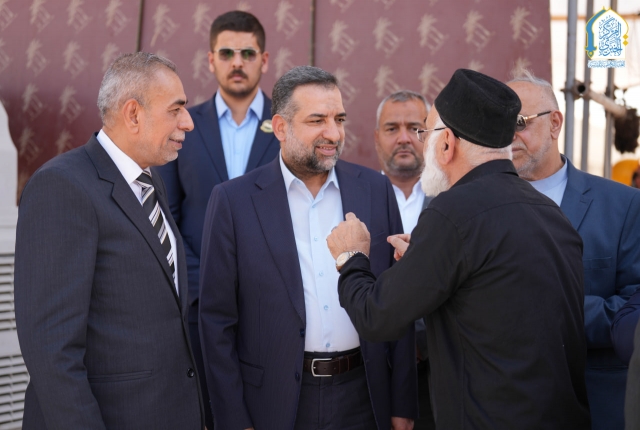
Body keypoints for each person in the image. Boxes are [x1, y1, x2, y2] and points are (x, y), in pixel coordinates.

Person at [327, 68, 591, 429]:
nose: (422, 146)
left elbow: (377, 316)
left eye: (425, 134)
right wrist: (424, 257)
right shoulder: (551, 212)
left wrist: (351, 257)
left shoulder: (451, 213)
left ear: (447, 143)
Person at [199, 65, 417, 430]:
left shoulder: (375, 190)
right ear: (281, 127)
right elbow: (216, 322)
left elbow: (398, 302)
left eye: (339, 119)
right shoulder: (233, 202)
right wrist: (234, 420)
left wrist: (402, 403)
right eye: (317, 120)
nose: (333, 133)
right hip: (274, 403)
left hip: (365, 395)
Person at [14, 52, 203, 429]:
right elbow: (52, 350)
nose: (188, 122)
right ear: (133, 114)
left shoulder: (150, 182)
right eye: (176, 109)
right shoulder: (62, 186)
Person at [156, 11, 279, 426]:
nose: (237, 62)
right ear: (211, 60)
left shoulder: (288, 127)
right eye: (226, 53)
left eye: (247, 53)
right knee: (208, 412)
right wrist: (203, 280)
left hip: (274, 304)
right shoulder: (183, 125)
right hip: (200, 303)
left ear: (264, 59)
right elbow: (168, 215)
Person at [507, 70, 640, 430]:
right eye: (498, 125)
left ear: (555, 123)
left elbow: (635, 306)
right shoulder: (478, 209)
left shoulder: (623, 206)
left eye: (518, 122)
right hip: (507, 409)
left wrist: (552, 311)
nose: (507, 136)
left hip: (595, 405)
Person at [374, 90, 434, 429]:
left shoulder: (455, 201)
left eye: (415, 128)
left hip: (438, 370)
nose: (404, 138)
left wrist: (419, 342)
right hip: (371, 372)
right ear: (376, 138)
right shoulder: (353, 199)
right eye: (392, 128)